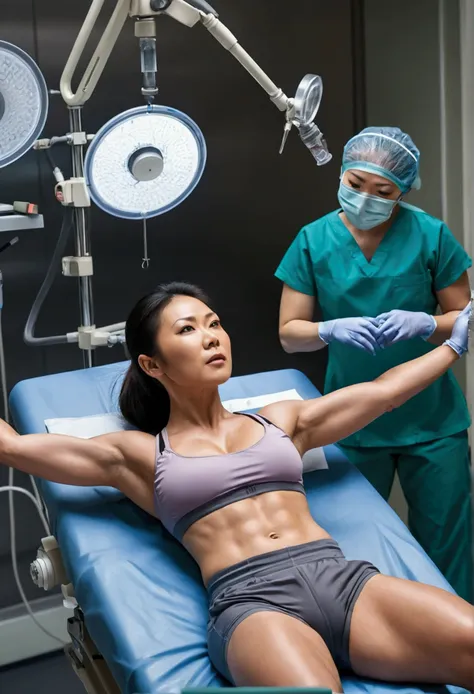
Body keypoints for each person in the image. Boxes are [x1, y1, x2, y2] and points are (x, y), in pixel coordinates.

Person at [1, 281, 473, 691]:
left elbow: (385, 393)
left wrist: (452, 345)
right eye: (187, 330)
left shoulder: (282, 420)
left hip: (343, 582)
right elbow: (16, 449)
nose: (210, 338)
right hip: (253, 605)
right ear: (151, 365)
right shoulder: (138, 454)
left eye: (214, 324)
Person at [275, 126, 473, 602]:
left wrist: (427, 323)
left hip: (432, 421)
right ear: (341, 174)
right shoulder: (313, 239)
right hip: (351, 420)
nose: (366, 198)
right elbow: (289, 334)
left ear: (402, 191)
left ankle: (460, 655)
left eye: (383, 191)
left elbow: (463, 317)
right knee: (355, 547)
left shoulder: (429, 235)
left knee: (448, 547)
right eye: (356, 183)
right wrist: (328, 329)